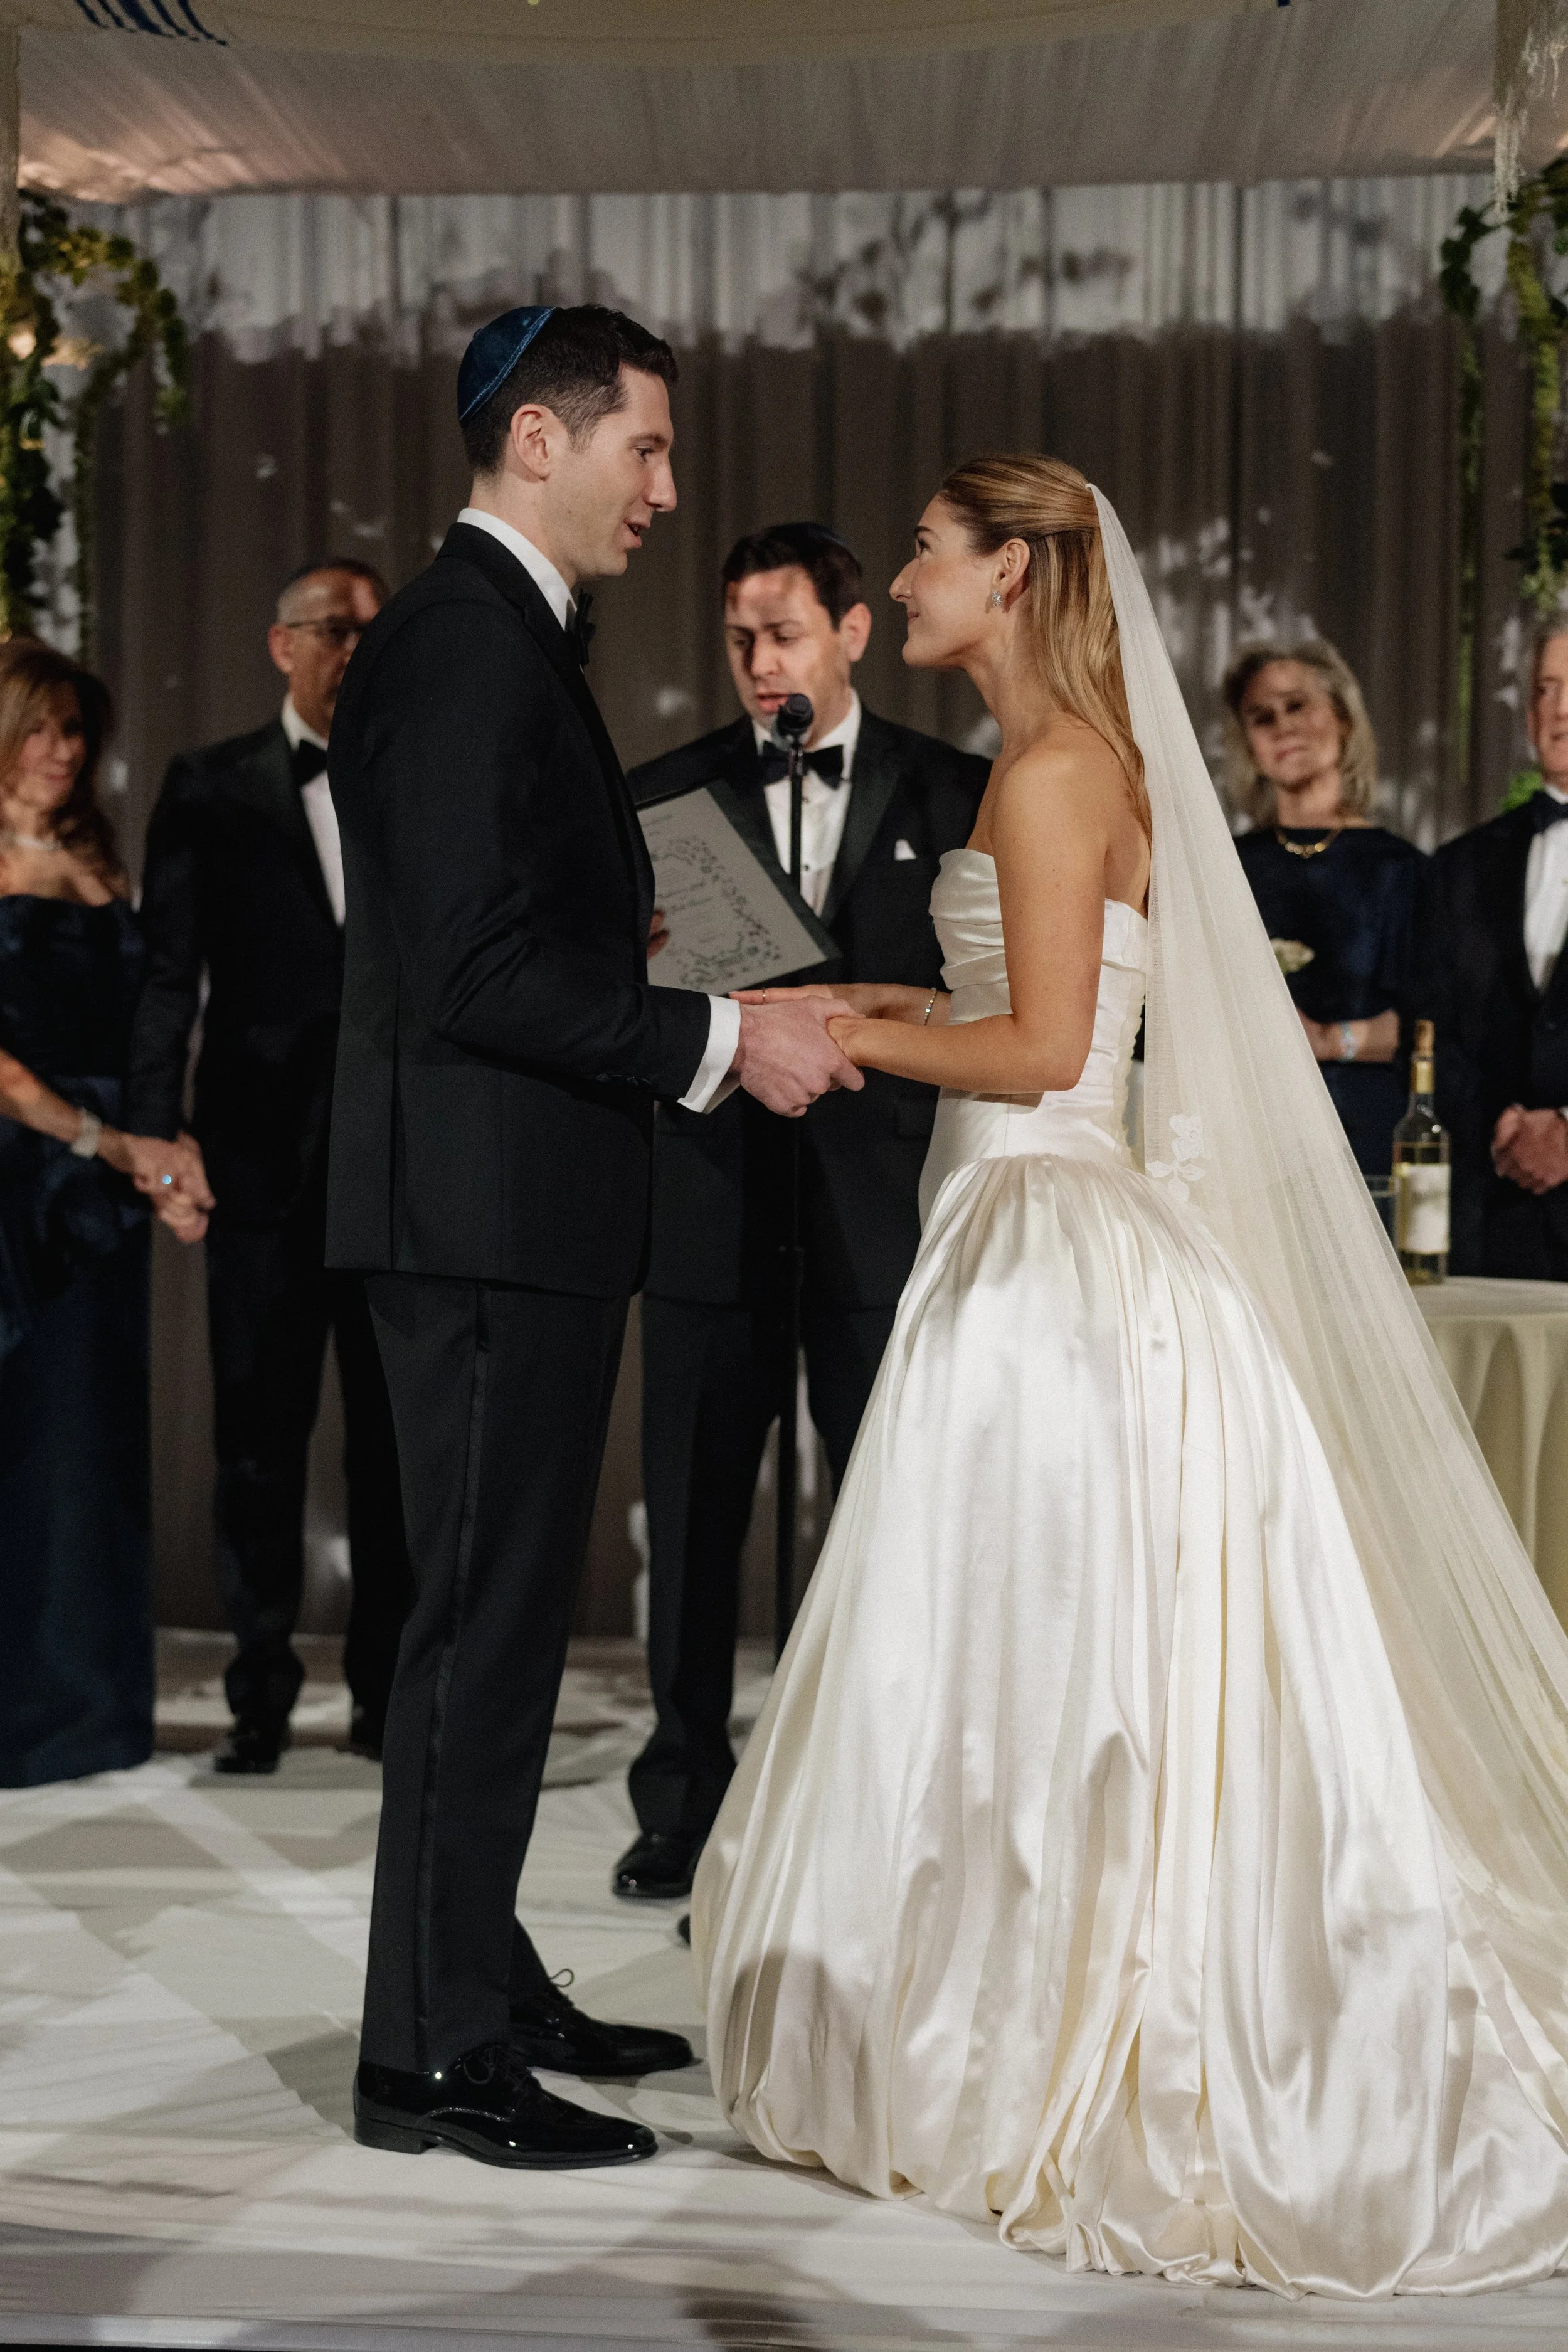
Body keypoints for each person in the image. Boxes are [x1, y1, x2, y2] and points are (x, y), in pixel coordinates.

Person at [694, 456, 1568, 2295]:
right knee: (1030, 1659)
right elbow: (1007, 1012)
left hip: (1047, 1250)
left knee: (1039, 1653)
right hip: (1026, 1222)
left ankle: (1055, 2029)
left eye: (926, 550)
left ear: (1005, 572)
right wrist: (833, 1008)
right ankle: (1010, 1998)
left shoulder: (1060, 762)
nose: (906, 577)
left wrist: (842, 1025)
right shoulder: (1065, 755)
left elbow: (1039, 1047)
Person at [326, 303, 861, 2171]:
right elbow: (467, 972)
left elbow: (475, 936)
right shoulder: (466, 644)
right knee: (477, 1639)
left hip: (506, 1208)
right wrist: (726, 1030)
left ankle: (472, 1972)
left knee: (500, 1632)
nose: (667, 485)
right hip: (477, 1219)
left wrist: (614, 955)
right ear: (534, 443)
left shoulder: (493, 637)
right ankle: (429, 2058)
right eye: (642, 446)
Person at [615, 524, 987, 1903]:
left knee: (887, 1510)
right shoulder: (663, 796)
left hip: (877, 1211)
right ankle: (681, 1799)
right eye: (736, 638)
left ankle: (879, 1794)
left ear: (850, 631)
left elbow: (993, 999)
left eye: (780, 631)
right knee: (695, 1516)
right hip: (712, 1201)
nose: (758, 659)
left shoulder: (958, 789)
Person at [126, 558, 414, 1774]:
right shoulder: (209, 786)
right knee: (256, 1446)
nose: (354, 649)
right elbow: (163, 975)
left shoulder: (413, 777)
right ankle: (256, 1695)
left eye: (369, 630)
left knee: (393, 1450)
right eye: (334, 630)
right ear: (279, 643)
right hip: (253, 1166)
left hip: (396, 1162)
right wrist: (154, 1134)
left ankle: (389, 1701)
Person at [0, 640, 208, 1787]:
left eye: (76, 733)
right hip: (18, 1181)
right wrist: (103, 1143)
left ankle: (88, 1712)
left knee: (88, 1445)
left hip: (101, 1189)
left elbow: (143, 1033)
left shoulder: (98, 859)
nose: (62, 754)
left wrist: (157, 1164)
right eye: (40, 730)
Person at [1224, 640, 1422, 1179]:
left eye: (1296, 706)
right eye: (1260, 717)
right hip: (1243, 1134)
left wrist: (1332, 1041)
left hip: (1361, 1134)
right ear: (1249, 745)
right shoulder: (1224, 866)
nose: (1281, 726)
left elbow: (1431, 1025)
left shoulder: (1401, 868)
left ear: (1342, 717)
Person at [1422, 621, 1568, 1273]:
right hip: (1490, 1221)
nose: (1561, 709)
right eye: (1545, 688)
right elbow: (1428, 1030)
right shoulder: (1459, 865)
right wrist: (1501, 1132)